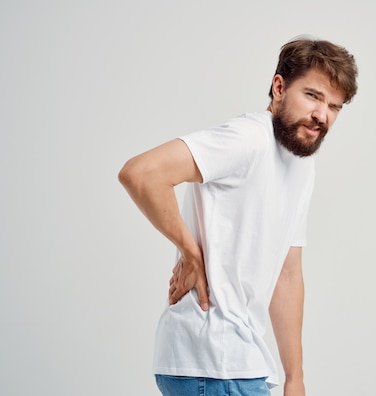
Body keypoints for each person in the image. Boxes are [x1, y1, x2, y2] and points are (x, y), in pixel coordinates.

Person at [118, 36, 358, 396]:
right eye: (313, 96)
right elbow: (140, 174)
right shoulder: (249, 139)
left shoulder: (301, 165)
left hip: (238, 361)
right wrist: (191, 251)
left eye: (334, 106)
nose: (322, 115)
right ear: (279, 87)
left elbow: (287, 274)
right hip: (213, 360)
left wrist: (295, 377)